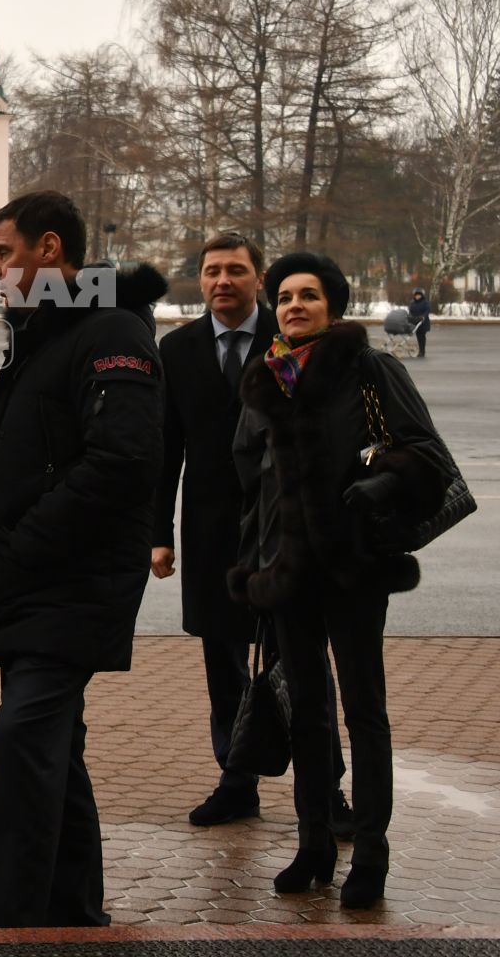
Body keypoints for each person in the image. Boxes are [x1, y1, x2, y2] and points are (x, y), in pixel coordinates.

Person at [0, 190, 164, 928]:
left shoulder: (111, 332)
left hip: (69, 578)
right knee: (52, 747)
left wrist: (24, 541)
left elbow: (123, 458)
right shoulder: (41, 335)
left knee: (25, 740)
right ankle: (74, 912)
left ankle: (7, 926)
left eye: (4, 252)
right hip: (35, 578)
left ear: (50, 250)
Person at [230, 252, 456, 909]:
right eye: (284, 298)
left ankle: (372, 854)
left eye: (308, 296)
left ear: (333, 305)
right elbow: (253, 485)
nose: (294, 306)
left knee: (364, 711)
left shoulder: (369, 369)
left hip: (354, 566)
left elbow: (427, 455)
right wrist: (251, 566)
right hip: (287, 573)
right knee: (307, 713)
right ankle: (312, 844)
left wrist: (380, 482)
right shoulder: (266, 380)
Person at [153, 233, 350, 831]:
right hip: (212, 531)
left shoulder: (292, 338)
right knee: (223, 662)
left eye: (236, 271)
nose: (222, 282)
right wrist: (158, 531)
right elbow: (167, 449)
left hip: (285, 528)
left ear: (257, 279)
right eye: (212, 271)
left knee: (302, 660)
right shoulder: (180, 349)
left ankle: (327, 792)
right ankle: (236, 780)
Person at [408, 288, 433, 357]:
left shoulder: (425, 302)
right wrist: (410, 317)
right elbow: (410, 311)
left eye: (419, 295)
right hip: (416, 322)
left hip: (423, 322)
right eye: (416, 295)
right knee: (418, 337)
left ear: (422, 295)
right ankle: (420, 351)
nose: (417, 296)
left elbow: (427, 310)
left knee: (422, 337)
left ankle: (422, 351)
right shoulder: (413, 303)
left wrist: (423, 316)